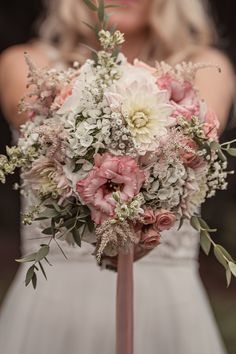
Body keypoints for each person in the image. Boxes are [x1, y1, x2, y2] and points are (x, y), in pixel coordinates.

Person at [0, 0, 234, 353]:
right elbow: (48, 128)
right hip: (54, 304)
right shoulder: (24, 64)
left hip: (167, 308)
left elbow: (198, 133)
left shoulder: (207, 67)